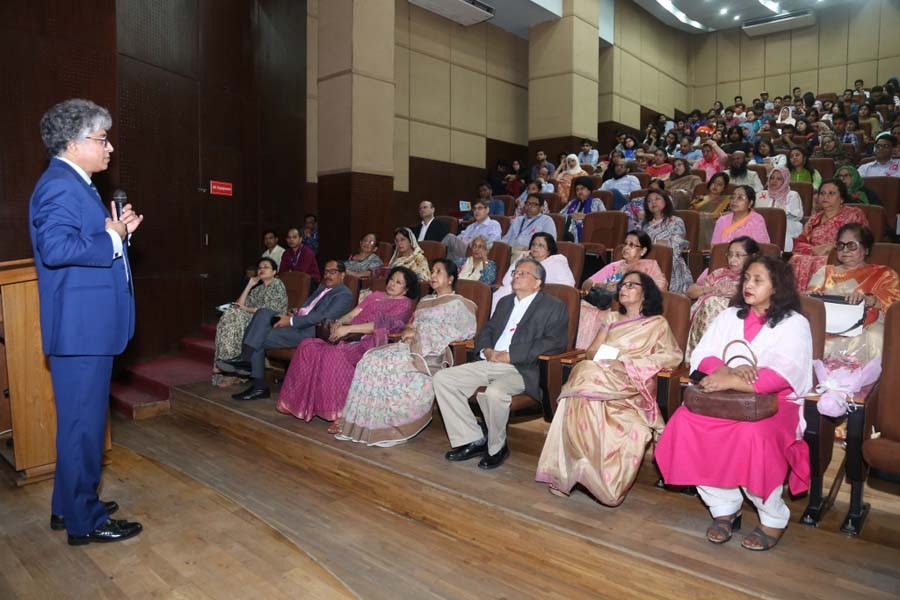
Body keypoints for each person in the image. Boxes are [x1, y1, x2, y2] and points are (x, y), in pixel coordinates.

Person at [29, 98, 143, 544]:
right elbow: (58, 250)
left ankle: (68, 506)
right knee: (83, 427)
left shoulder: (75, 183)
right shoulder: (59, 186)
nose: (109, 147)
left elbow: (84, 244)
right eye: (102, 139)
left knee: (80, 424)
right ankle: (85, 521)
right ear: (74, 143)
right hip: (80, 331)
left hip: (86, 327)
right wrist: (111, 238)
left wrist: (120, 235)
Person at [656, 256, 813, 552]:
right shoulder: (730, 316)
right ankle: (724, 506)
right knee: (686, 424)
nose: (748, 285)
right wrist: (727, 372)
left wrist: (731, 380)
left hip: (774, 404)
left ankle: (773, 518)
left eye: (758, 280)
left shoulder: (795, 323)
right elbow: (703, 355)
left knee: (752, 437)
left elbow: (784, 373)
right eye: (747, 279)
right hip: (723, 397)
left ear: (777, 287)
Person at [536, 271, 682, 505]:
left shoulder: (657, 324)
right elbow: (592, 352)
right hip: (600, 374)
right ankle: (575, 470)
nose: (623, 288)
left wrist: (625, 363)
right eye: (622, 285)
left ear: (646, 292)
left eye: (631, 285)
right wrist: (605, 359)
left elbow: (672, 356)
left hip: (632, 382)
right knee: (583, 374)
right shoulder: (612, 318)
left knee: (582, 376)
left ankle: (598, 480)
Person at [434, 257, 568, 469]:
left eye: (523, 273)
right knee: (443, 378)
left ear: (538, 282)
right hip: (491, 362)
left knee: (494, 393)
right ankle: (473, 438)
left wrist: (511, 355)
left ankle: (497, 448)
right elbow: (487, 329)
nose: (516, 276)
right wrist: (486, 349)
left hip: (522, 368)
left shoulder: (554, 306)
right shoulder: (505, 302)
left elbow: (554, 343)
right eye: (515, 272)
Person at [336, 260, 478, 446]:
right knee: (371, 358)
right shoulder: (425, 301)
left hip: (432, 352)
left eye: (438, 272)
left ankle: (388, 427)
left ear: (450, 279)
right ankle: (364, 425)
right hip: (410, 345)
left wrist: (420, 335)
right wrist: (410, 333)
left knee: (387, 364)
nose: (432, 275)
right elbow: (411, 325)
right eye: (431, 271)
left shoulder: (459, 303)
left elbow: (465, 331)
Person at [277, 266, 417, 430]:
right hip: (348, 335)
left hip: (371, 341)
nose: (392, 284)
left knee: (333, 355)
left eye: (398, 282)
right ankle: (297, 403)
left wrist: (349, 329)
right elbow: (352, 314)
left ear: (406, 289)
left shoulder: (404, 304)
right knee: (307, 346)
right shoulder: (375, 295)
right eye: (392, 279)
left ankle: (341, 413)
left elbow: (384, 325)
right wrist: (339, 323)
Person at [223, 260, 354, 400]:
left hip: (310, 332)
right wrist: (296, 312)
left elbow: (323, 317)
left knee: (257, 337)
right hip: (299, 323)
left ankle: (253, 375)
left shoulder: (344, 294)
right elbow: (309, 308)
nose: (328, 275)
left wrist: (291, 321)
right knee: (263, 313)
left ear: (342, 275)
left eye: (332, 272)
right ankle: (247, 363)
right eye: (326, 271)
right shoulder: (322, 288)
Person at [807, 223, 900, 367]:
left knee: (876, 336)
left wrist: (869, 300)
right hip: (826, 327)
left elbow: (895, 302)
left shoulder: (884, 274)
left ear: (866, 249)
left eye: (851, 245)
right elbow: (808, 301)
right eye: (841, 245)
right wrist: (817, 297)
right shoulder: (826, 271)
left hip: (865, 328)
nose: (845, 250)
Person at [576, 230, 667, 349]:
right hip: (603, 302)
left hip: (629, 308)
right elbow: (586, 283)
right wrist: (602, 285)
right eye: (625, 244)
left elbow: (659, 288)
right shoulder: (615, 266)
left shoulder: (650, 266)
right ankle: (584, 351)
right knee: (581, 306)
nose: (626, 248)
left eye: (632, 245)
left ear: (643, 251)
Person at [212, 257, 288, 386]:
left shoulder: (277, 284)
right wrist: (249, 285)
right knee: (229, 314)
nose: (261, 269)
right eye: (259, 268)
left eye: (266, 267)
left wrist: (244, 309)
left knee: (234, 317)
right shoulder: (257, 289)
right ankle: (229, 364)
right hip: (253, 318)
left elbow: (269, 310)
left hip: (270, 320)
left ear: (274, 271)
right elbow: (238, 304)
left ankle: (231, 366)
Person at [684, 236, 759, 358]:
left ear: (752, 256)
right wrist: (711, 290)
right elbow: (690, 291)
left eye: (738, 255)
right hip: (703, 320)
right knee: (709, 302)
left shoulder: (756, 278)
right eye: (730, 255)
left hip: (737, 322)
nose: (732, 260)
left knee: (712, 302)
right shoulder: (719, 274)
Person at [789, 179, 869, 290]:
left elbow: (863, 241)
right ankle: (800, 300)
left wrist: (833, 247)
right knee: (795, 259)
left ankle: (815, 298)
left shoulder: (853, 215)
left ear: (841, 198)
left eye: (831, 193)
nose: (825, 197)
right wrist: (813, 250)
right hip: (812, 255)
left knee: (819, 263)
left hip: (840, 256)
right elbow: (799, 243)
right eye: (822, 193)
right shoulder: (814, 219)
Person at [491, 233, 575, 313]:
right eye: (533, 244)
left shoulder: (556, 262)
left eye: (540, 245)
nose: (535, 247)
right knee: (503, 292)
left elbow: (568, 286)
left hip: (542, 300)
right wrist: (520, 260)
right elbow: (506, 281)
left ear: (549, 250)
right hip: (517, 295)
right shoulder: (526, 261)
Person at [640, 189, 693, 293]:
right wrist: (657, 244)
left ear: (666, 201)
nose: (653, 202)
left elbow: (677, 243)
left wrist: (655, 245)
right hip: (649, 263)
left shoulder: (676, 221)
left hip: (672, 262)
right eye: (649, 201)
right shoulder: (645, 226)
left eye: (657, 199)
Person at [755, 166, 804, 252]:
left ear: (785, 180)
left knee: (782, 229)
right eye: (772, 178)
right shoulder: (760, 194)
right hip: (763, 225)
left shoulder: (792, 195)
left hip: (788, 225)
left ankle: (782, 255)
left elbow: (796, 215)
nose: (774, 181)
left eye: (779, 179)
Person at [690, 172, 732, 249]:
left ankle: (707, 250)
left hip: (717, 224)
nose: (715, 186)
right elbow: (690, 215)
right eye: (713, 183)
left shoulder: (728, 200)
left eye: (719, 184)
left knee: (705, 221)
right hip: (697, 224)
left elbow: (733, 214)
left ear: (724, 188)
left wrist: (716, 215)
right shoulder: (699, 199)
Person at [563, 176, 607, 242]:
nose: (579, 192)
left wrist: (586, 217)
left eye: (582, 188)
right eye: (577, 190)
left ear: (589, 190)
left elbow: (604, 219)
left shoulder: (597, 202)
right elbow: (560, 216)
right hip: (570, 229)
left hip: (589, 232)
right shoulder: (572, 203)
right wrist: (570, 216)